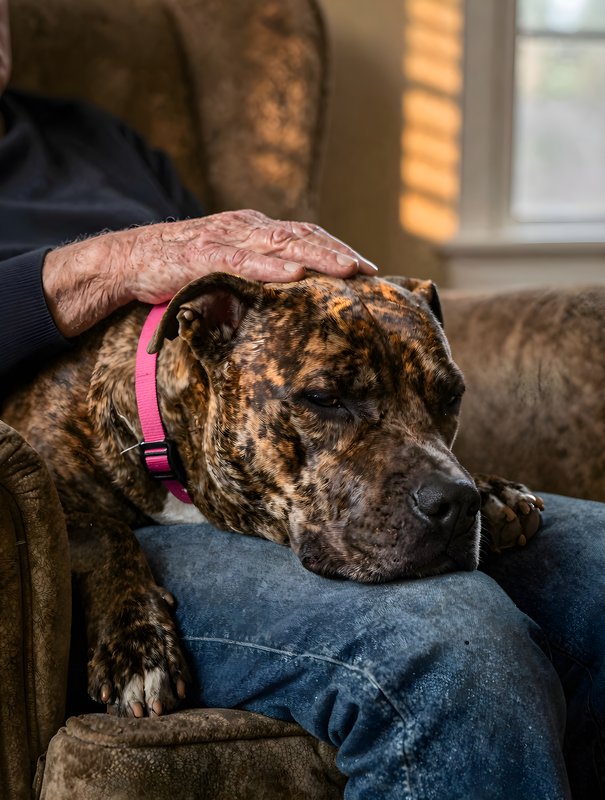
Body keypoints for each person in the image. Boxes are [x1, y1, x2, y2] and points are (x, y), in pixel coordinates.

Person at [1, 2, 603, 798]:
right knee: (449, 644)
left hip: (236, 464)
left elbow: (268, 337)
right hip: (90, 520)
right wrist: (93, 268)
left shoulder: (91, 133)